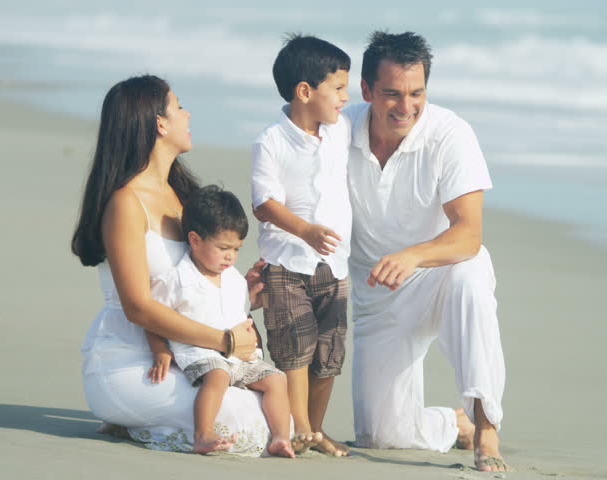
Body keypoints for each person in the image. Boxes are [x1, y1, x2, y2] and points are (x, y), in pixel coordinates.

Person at [73, 75, 271, 456]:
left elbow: (191, 286)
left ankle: (142, 425)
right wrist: (225, 340)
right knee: (239, 418)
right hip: (131, 363)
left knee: (272, 407)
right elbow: (137, 307)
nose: (187, 114)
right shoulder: (126, 203)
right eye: (179, 106)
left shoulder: (185, 197)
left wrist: (237, 294)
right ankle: (136, 424)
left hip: (191, 358)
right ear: (159, 123)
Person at [342, 31, 508, 472]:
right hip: (378, 295)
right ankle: (455, 424)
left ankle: (486, 427)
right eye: (391, 94)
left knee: (471, 276)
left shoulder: (450, 134)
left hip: (441, 274)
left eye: (416, 93)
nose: (405, 106)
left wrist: (413, 256)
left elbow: (468, 234)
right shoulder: (337, 131)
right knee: (382, 436)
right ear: (366, 91)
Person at [146, 185, 316, 457]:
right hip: (202, 354)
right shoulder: (178, 279)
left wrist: (253, 297)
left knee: (276, 379)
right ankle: (203, 434)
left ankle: (281, 437)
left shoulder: (234, 278)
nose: (230, 256)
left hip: (241, 359)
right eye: (223, 247)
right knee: (218, 375)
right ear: (195, 240)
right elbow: (153, 317)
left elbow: (239, 310)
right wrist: (160, 350)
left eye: (236, 249)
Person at [250, 34, 352, 456]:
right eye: (339, 88)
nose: (345, 98)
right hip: (286, 261)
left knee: (328, 354)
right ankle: (301, 427)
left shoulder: (340, 129)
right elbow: (263, 204)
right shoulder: (271, 140)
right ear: (305, 91)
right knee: (294, 349)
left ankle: (317, 427)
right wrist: (305, 230)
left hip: (335, 265)